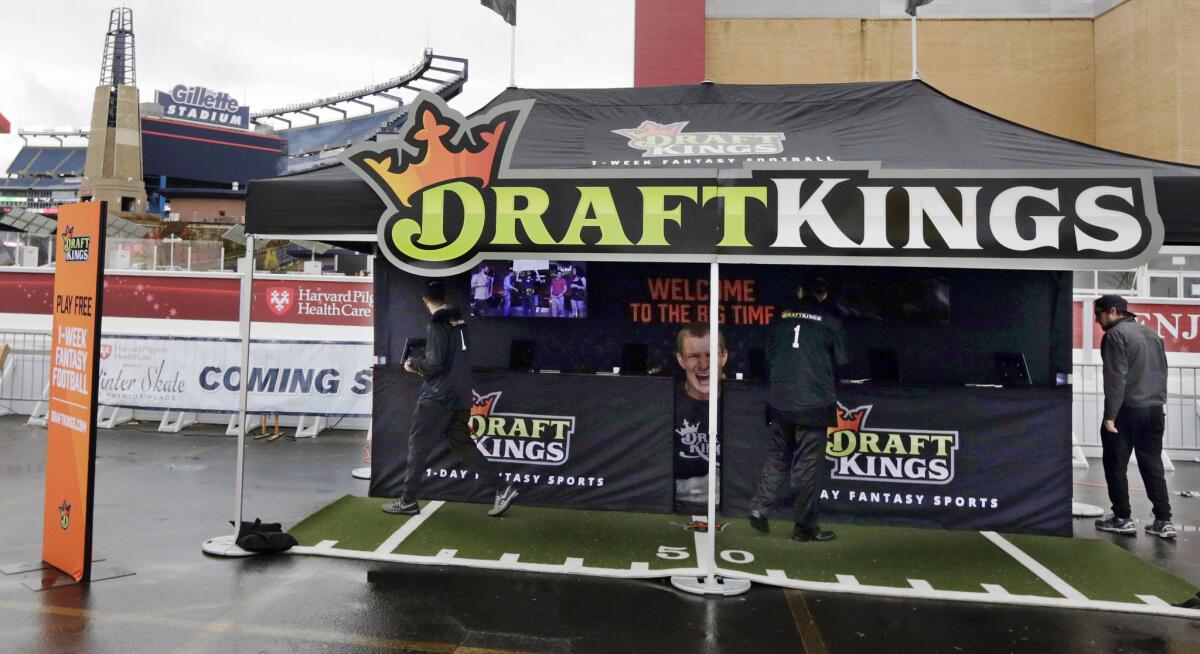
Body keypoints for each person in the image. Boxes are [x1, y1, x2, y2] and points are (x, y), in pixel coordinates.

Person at [383, 280, 518, 517]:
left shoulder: (436, 324)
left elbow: (435, 365)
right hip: (461, 396)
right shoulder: (460, 321)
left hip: (438, 398)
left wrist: (413, 364)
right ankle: (502, 487)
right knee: (464, 446)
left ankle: (407, 500)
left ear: (425, 301)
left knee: (418, 447)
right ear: (443, 297)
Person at [749, 276, 847, 542]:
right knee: (806, 467)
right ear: (824, 294)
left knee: (778, 455)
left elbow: (766, 356)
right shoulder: (832, 322)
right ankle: (804, 528)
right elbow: (842, 362)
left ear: (800, 290)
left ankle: (759, 508)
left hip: (780, 401)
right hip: (814, 404)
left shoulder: (779, 320)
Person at [1092, 295, 1175, 539]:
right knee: (1152, 463)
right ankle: (1164, 520)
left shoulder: (1115, 336)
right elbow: (1162, 372)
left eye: (1099, 314)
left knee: (1115, 463)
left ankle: (1122, 517)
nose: (1097, 321)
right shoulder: (1152, 335)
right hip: (1154, 409)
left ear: (1113, 311)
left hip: (1126, 410)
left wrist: (1110, 416)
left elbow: (1116, 377)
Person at [673, 322, 727, 508]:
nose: (704, 365)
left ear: (724, 357)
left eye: (711, 356)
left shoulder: (744, 404)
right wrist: (681, 487)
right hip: (675, 506)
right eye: (694, 356)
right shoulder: (664, 402)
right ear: (681, 360)